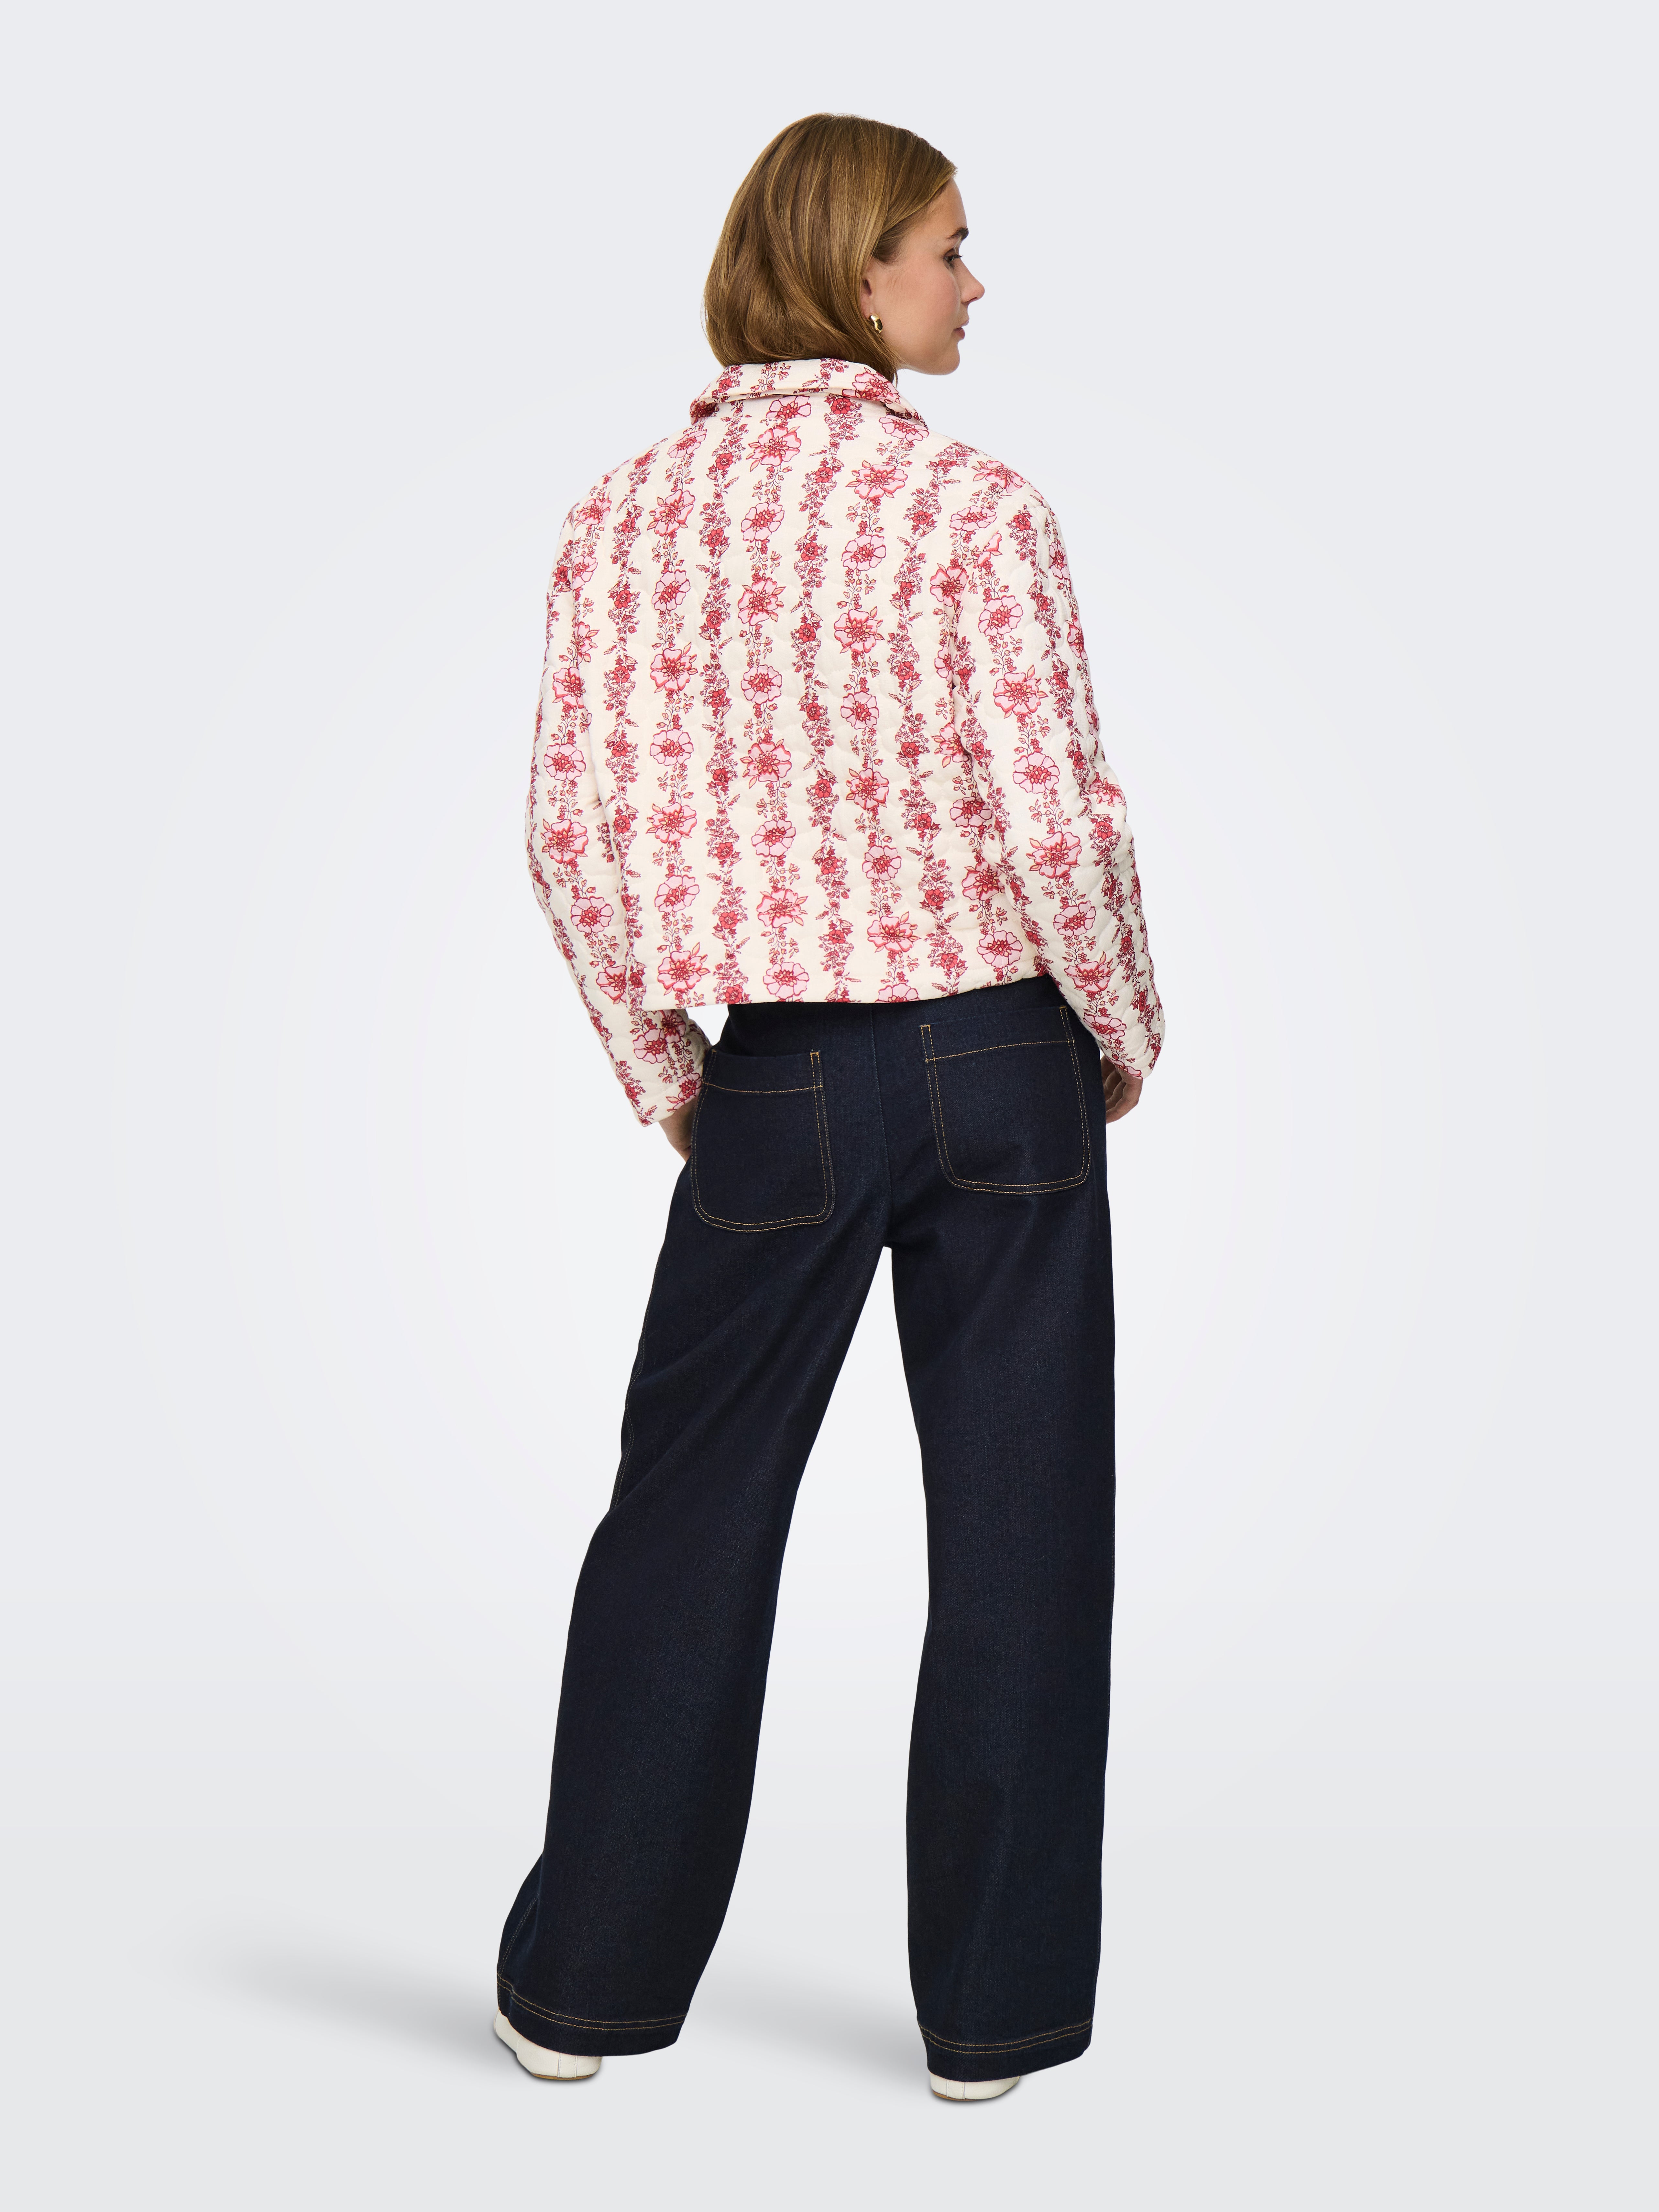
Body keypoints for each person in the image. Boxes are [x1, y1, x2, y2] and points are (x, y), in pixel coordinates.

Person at [495, 111, 1164, 2102]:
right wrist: (1119, 1031)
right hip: (1002, 1054)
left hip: (776, 1069)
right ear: (860, 269)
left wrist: (670, 1072)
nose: (973, 281)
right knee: (1025, 1532)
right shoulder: (977, 512)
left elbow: (569, 830)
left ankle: (580, 1995)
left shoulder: (625, 516)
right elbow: (1060, 821)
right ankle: (990, 2021)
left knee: (683, 1522)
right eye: (948, 246)